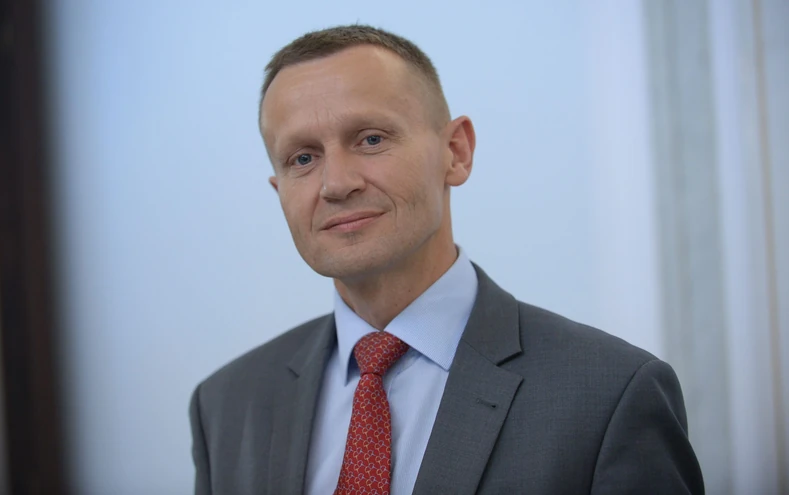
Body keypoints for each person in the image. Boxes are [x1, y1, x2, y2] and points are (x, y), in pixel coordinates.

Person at [189, 25, 704, 495]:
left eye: (371, 139)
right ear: (279, 189)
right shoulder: (226, 406)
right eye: (302, 158)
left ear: (456, 152)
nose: (336, 184)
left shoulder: (611, 395)